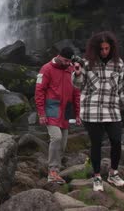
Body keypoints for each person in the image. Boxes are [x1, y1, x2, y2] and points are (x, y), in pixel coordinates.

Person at [72, 31, 124, 192]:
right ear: (95, 49)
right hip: (91, 111)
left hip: (112, 109)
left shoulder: (118, 64)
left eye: (107, 48)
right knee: (96, 144)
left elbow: (123, 86)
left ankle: (113, 173)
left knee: (116, 141)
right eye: (101, 49)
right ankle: (96, 176)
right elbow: (77, 84)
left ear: (112, 47)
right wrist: (77, 73)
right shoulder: (86, 62)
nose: (104, 52)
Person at [35, 46, 81, 184]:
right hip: (51, 109)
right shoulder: (46, 69)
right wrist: (41, 113)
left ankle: (56, 172)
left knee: (63, 143)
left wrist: (77, 114)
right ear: (59, 56)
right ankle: (52, 172)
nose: (68, 63)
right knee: (56, 138)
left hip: (66, 110)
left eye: (69, 61)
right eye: (66, 60)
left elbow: (76, 93)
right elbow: (39, 91)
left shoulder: (71, 70)